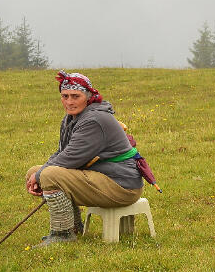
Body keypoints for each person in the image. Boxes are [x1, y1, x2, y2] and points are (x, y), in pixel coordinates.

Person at [25, 70, 143, 248]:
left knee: (48, 175)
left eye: (75, 96)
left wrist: (42, 175)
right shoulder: (72, 118)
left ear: (88, 97)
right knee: (35, 172)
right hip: (103, 177)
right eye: (65, 96)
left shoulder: (94, 119)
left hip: (122, 185)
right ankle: (73, 226)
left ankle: (63, 235)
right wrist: (37, 174)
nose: (69, 101)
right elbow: (62, 152)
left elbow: (71, 158)